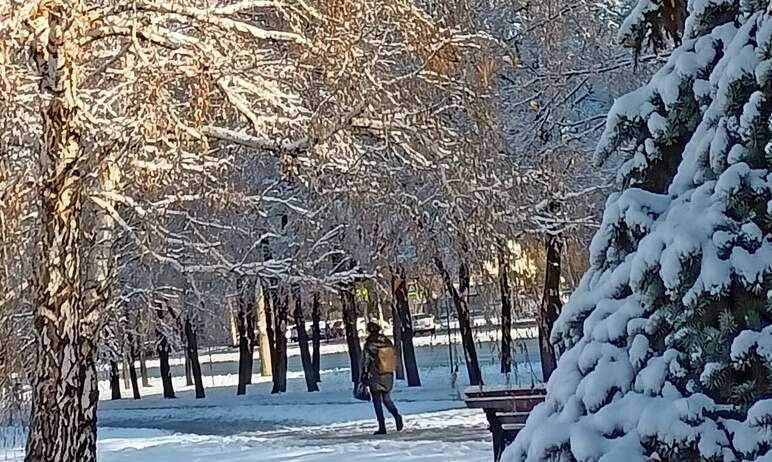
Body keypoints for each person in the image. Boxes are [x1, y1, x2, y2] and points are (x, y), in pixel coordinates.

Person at [360, 321, 404, 435]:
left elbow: (365, 361)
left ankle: (382, 426)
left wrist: (363, 375)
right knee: (387, 398)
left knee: (377, 401)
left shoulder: (369, 344)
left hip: (375, 375)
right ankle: (396, 415)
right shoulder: (388, 342)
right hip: (388, 373)